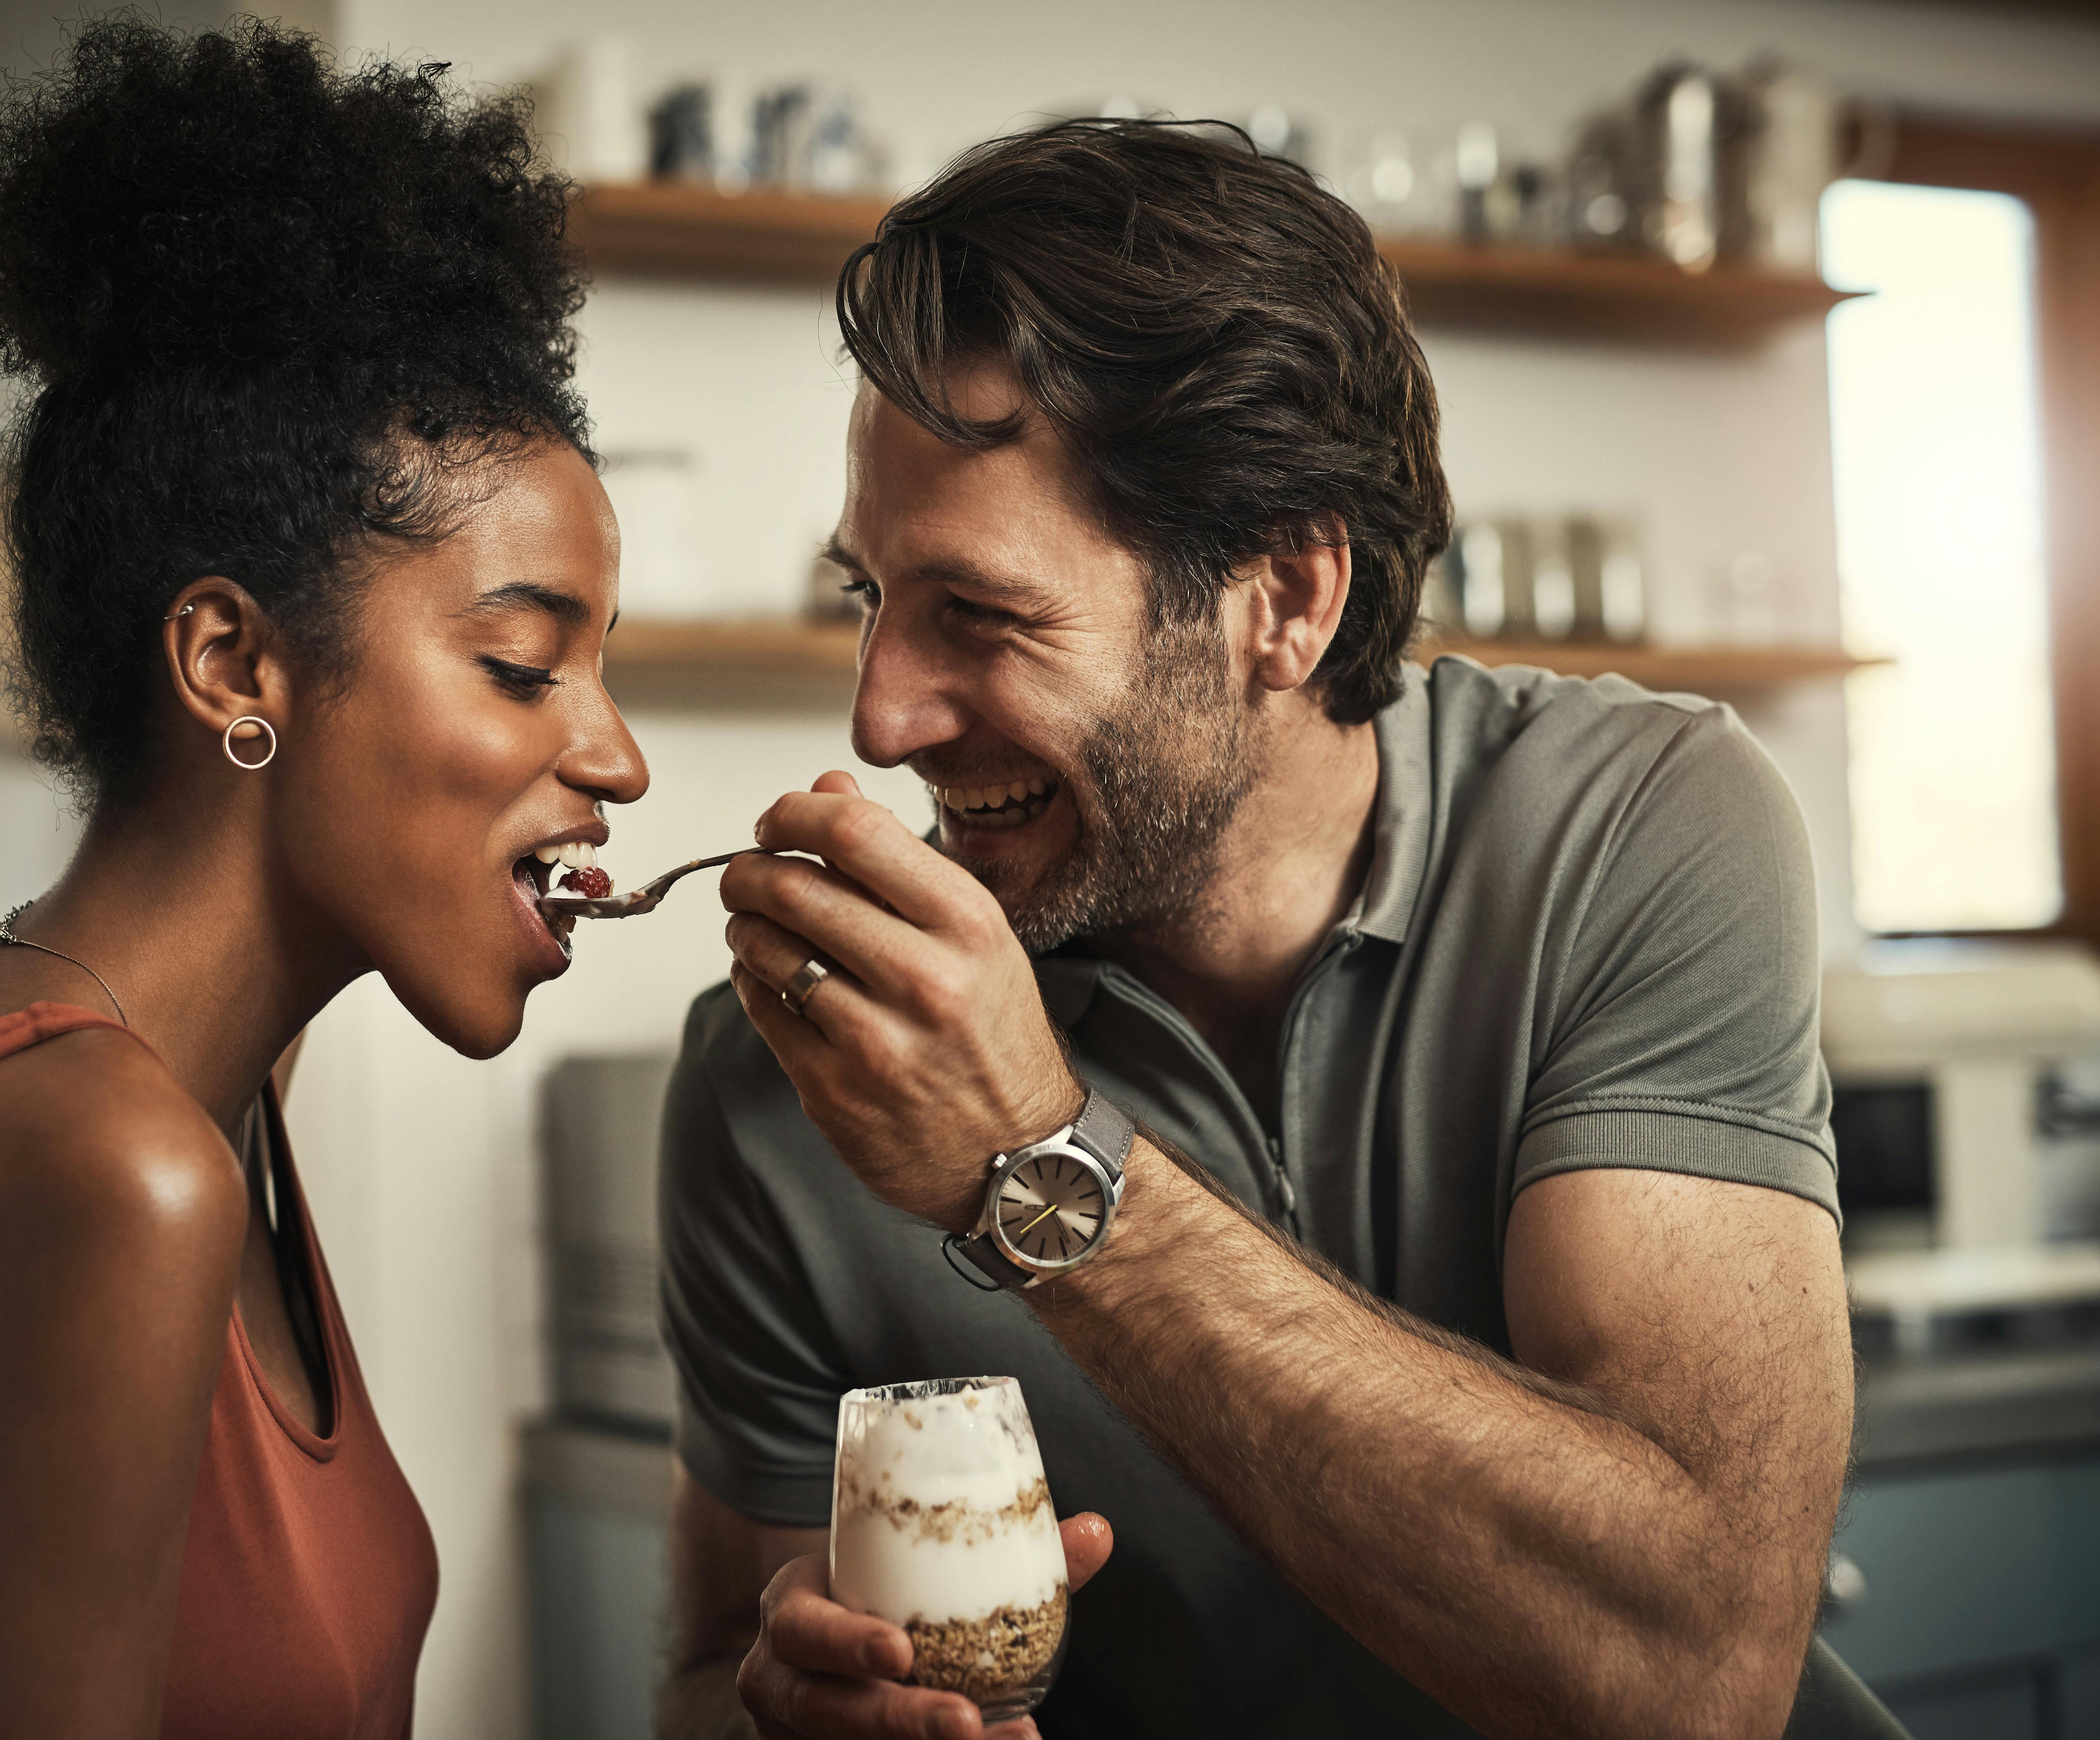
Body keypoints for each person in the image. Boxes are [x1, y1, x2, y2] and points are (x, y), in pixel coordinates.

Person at [657, 122, 1898, 1740]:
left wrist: (1038, 1163)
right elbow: (700, 1679)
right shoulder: (786, 1084)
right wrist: (778, 1713)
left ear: (1284, 602)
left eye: (980, 613)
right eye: (867, 598)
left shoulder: (1636, 827)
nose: (879, 715)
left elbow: (1689, 1675)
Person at [0, 20, 644, 1738]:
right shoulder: (99, 1169)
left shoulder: (197, 1104)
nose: (614, 759)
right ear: (235, 662)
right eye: (525, 668)